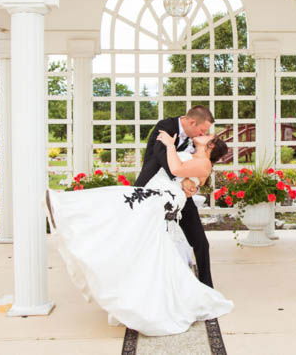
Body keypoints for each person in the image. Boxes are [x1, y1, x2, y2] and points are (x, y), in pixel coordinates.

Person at [48, 126, 232, 336]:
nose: (205, 133)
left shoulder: (204, 162)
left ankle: (65, 208)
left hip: (163, 199)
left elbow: (176, 169)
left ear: (211, 146)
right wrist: (186, 176)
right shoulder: (192, 156)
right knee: (139, 238)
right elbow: (178, 171)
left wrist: (171, 146)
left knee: (118, 201)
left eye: (209, 136)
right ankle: (66, 211)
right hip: (158, 194)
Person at [135, 106, 217, 288]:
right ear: (191, 122)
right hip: (152, 192)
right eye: (202, 130)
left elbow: (198, 169)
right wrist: (183, 179)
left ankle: (206, 285)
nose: (203, 133)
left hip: (180, 195)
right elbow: (160, 155)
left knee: (200, 242)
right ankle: (144, 284)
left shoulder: (196, 143)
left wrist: (191, 182)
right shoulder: (165, 126)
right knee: (146, 240)